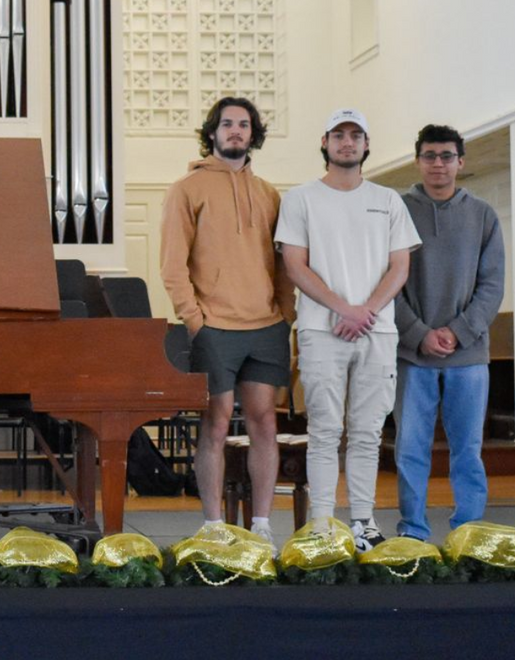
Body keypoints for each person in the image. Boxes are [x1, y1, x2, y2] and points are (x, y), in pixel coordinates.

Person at [276, 108, 420, 551]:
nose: (347, 142)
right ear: (324, 143)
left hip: (376, 332)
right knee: (323, 430)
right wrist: (343, 308)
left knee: (366, 432)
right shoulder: (300, 199)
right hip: (322, 329)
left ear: (366, 145)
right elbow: (294, 265)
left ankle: (362, 521)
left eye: (355, 135)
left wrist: (367, 311)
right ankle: (322, 523)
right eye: (338, 134)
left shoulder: (389, 200)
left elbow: (401, 266)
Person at [159, 96, 293, 546]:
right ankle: (214, 525)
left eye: (244, 125)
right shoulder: (187, 189)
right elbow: (172, 266)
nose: (236, 131)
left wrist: (286, 315)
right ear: (212, 132)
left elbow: (284, 265)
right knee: (215, 424)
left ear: (253, 134)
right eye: (227, 124)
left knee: (264, 424)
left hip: (266, 325)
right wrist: (195, 321)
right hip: (214, 326)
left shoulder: (270, 194)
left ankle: (261, 526)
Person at [392, 124, 506, 541]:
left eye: (446, 156)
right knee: (409, 450)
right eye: (429, 156)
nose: (438, 164)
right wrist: (418, 333)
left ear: (461, 161)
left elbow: (492, 285)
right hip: (412, 354)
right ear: (418, 160)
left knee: (468, 451)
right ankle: (413, 532)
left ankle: (468, 531)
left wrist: (458, 332)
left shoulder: (483, 216)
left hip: (469, 355)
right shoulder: (397, 210)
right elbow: (386, 282)